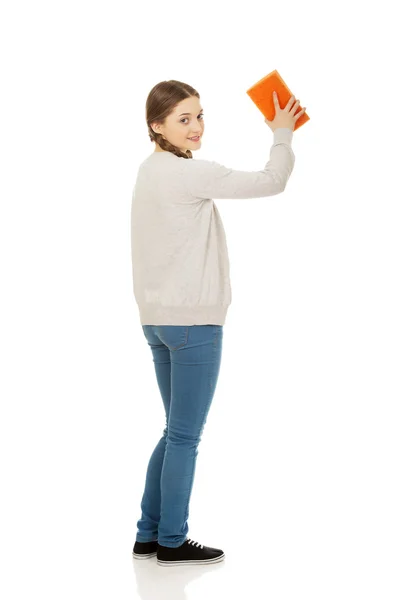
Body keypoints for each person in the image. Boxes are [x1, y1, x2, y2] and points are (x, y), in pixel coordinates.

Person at [131, 79, 306, 567]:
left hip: (157, 321)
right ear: (157, 125)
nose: (195, 126)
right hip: (193, 324)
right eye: (183, 118)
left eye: (200, 115)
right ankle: (170, 541)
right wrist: (282, 133)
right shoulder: (190, 175)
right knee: (184, 436)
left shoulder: (149, 172)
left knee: (173, 431)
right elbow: (273, 180)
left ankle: (148, 534)